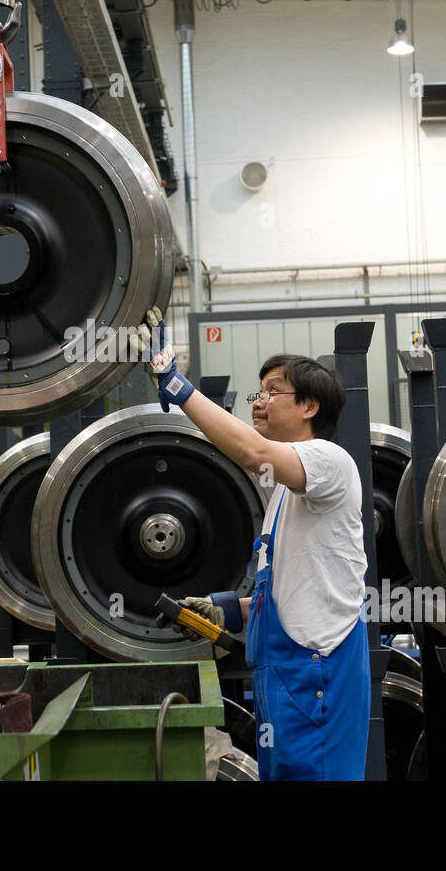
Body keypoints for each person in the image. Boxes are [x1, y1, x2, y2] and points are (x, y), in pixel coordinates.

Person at [139, 307, 371, 780]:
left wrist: (178, 386)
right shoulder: (282, 494)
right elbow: (294, 588)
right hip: (285, 675)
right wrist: (224, 608)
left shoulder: (329, 461)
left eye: (272, 391)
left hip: (316, 673)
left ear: (309, 406)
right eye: (257, 391)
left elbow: (250, 450)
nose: (258, 401)